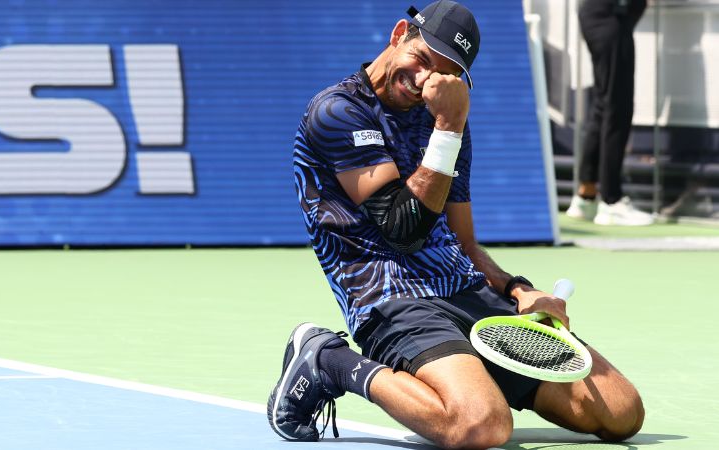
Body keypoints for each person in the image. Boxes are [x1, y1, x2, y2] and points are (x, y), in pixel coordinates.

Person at [268, 1, 645, 448]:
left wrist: (518, 290)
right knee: (482, 426)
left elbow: (464, 242)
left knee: (622, 412)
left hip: (466, 292)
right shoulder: (338, 111)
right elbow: (402, 229)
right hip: (389, 298)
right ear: (399, 34)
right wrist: (449, 125)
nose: (426, 80)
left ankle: (469, 371)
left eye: (445, 73)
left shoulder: (445, 119)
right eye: (422, 59)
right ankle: (329, 361)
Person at [566, 0, 653, 226]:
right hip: (610, 16)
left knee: (604, 107)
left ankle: (587, 194)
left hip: (603, 16)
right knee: (617, 108)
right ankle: (611, 201)